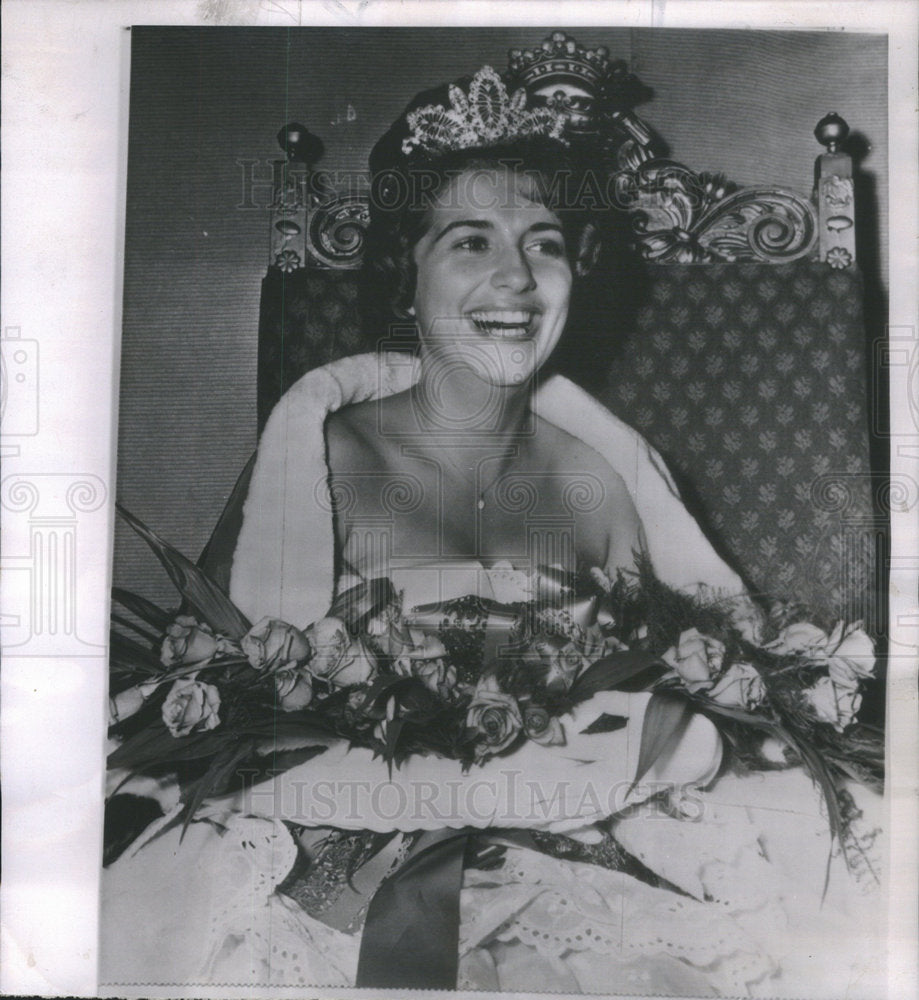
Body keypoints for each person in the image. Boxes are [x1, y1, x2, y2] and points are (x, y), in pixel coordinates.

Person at [100, 65, 884, 998]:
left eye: (544, 245)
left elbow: (672, 680)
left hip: (581, 837)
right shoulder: (323, 464)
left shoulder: (601, 482)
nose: (514, 278)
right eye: (470, 242)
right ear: (406, 270)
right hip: (334, 835)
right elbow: (230, 697)